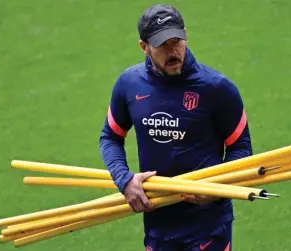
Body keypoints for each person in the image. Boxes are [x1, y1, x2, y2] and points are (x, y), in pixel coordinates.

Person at [99, 3, 252, 251]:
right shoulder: (129, 84)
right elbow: (110, 137)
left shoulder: (217, 88)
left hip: (208, 227)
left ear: (186, 35)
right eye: (162, 45)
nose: (173, 51)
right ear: (144, 47)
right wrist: (124, 180)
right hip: (159, 225)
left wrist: (217, 190)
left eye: (177, 41)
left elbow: (241, 148)